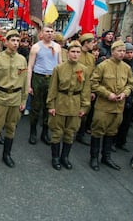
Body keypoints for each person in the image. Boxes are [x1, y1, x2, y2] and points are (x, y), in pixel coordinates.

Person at [0, 30, 27, 168]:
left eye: (17, 41)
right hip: (1, 98)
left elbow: (24, 81)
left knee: (11, 128)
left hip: (15, 98)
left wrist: (24, 100)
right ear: (6, 42)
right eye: (12, 40)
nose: (15, 43)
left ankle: (7, 154)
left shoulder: (22, 59)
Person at [89, 41, 133, 171]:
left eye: (124, 51)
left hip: (118, 107)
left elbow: (130, 84)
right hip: (103, 105)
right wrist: (107, 94)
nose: (122, 54)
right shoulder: (103, 65)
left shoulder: (126, 68)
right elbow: (94, 83)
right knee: (97, 131)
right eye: (119, 51)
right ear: (113, 51)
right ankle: (94, 157)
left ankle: (106, 157)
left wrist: (125, 93)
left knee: (112, 132)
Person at [46, 41, 91, 170]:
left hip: (75, 103)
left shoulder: (84, 70)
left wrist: (84, 107)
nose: (75, 54)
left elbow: (86, 90)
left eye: (78, 52)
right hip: (61, 101)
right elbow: (53, 88)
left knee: (70, 132)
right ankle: (55, 157)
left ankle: (64, 157)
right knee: (57, 132)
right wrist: (51, 105)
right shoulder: (59, 68)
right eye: (73, 52)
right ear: (68, 53)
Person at [26, 24, 61, 145]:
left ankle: (45, 132)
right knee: (36, 107)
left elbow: (60, 66)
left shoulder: (57, 47)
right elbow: (30, 67)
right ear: (42, 33)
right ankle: (33, 131)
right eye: (47, 31)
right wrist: (28, 85)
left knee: (49, 107)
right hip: (38, 77)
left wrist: (59, 83)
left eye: (51, 31)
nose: (49, 33)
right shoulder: (36, 47)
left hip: (52, 78)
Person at [114, 43, 133, 151]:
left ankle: (121, 142)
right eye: (127, 52)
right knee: (117, 121)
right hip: (120, 97)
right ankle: (113, 141)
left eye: (131, 52)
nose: (130, 54)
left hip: (132, 97)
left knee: (126, 122)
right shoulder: (119, 64)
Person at [76, 33, 96, 145]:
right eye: (92, 42)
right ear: (86, 43)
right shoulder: (77, 54)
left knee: (85, 111)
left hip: (87, 88)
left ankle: (81, 134)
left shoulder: (92, 57)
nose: (93, 45)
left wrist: (92, 90)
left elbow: (93, 73)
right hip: (76, 86)